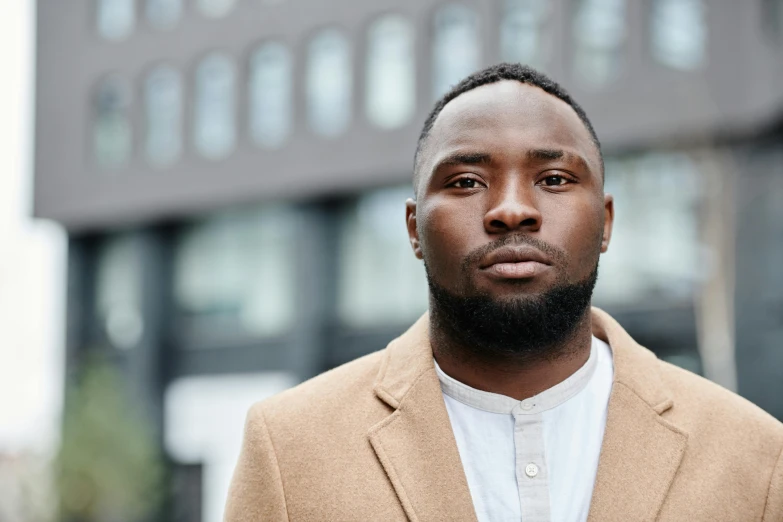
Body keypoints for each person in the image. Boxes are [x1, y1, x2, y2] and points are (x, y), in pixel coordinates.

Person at [223, 63, 783, 522]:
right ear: (415, 229)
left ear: (606, 222)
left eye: (555, 179)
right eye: (466, 181)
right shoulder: (289, 447)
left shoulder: (755, 455)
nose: (511, 209)